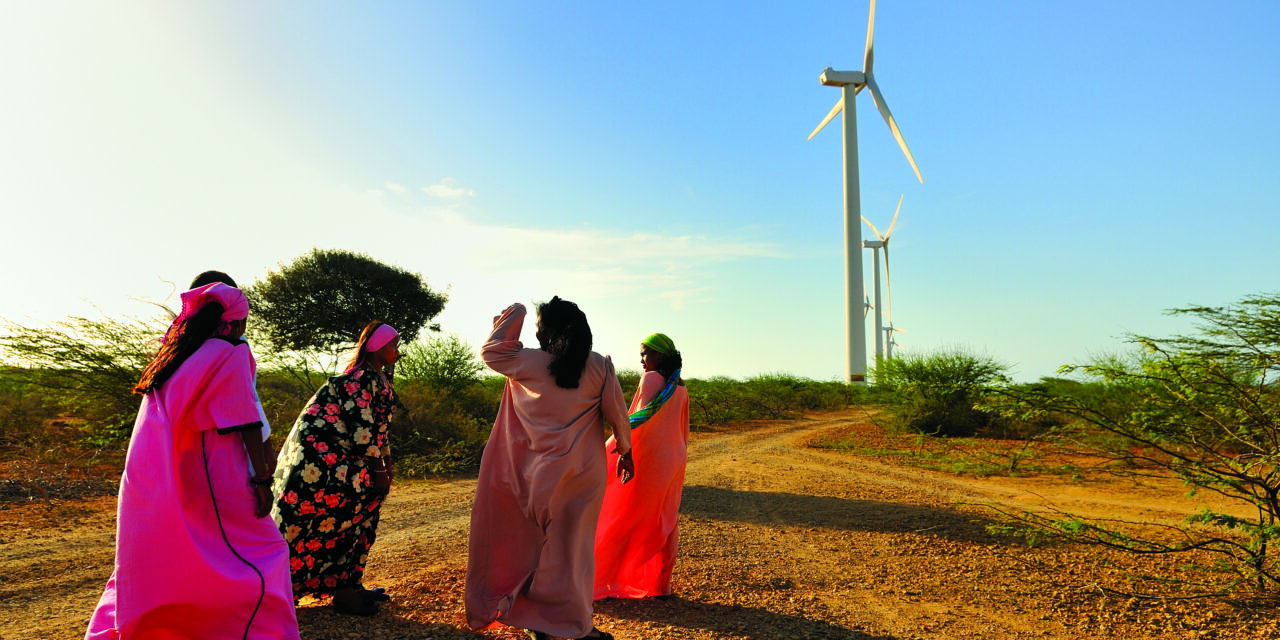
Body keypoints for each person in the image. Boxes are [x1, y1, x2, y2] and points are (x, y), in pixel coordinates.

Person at [85, 283, 299, 640]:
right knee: (263, 552)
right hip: (207, 472)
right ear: (231, 324)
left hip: (150, 474)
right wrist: (263, 479)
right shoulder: (231, 352)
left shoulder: (175, 351)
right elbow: (245, 419)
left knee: (163, 555)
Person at [465, 299, 635, 640]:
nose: (536, 331)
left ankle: (535, 618)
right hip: (581, 478)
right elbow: (618, 416)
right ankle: (572, 625)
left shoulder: (524, 361)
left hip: (530, 477)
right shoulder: (599, 367)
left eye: (540, 324)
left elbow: (491, 350)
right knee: (572, 553)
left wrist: (516, 313)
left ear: (552, 331)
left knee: (529, 548)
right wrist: (625, 452)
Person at [270, 321, 399, 616]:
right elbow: (361, 431)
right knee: (342, 524)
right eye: (393, 345)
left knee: (360, 524)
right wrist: (379, 469)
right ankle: (342, 592)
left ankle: (350, 585)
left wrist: (387, 465)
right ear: (376, 347)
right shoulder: (358, 380)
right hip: (332, 468)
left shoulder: (380, 378)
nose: (397, 351)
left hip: (355, 466)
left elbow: (381, 430)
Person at [593, 333, 689, 600]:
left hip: (650, 457)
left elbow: (636, 421)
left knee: (619, 512)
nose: (641, 359)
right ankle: (661, 586)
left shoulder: (651, 379)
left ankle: (602, 577)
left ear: (659, 355)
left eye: (645, 353)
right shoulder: (679, 385)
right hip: (673, 458)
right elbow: (683, 429)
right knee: (664, 517)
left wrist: (624, 451)